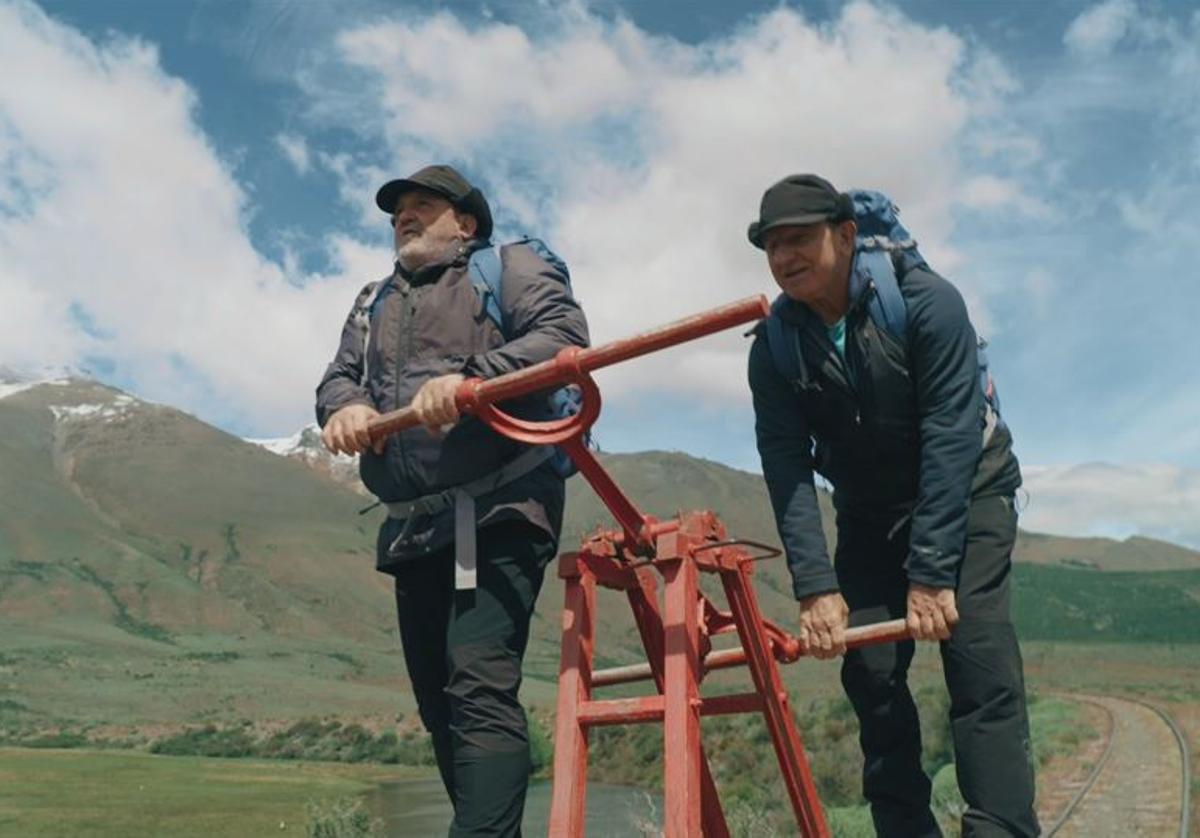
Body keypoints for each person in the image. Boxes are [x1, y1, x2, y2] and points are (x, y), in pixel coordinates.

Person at [745, 174, 1039, 837]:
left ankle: (1001, 828)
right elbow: (786, 466)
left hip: (969, 490)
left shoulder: (929, 303)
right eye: (772, 246)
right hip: (871, 514)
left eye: (800, 240)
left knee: (978, 666)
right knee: (871, 675)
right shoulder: (774, 347)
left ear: (846, 236)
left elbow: (951, 433)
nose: (785, 257)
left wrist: (932, 570)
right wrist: (816, 588)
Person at [316, 164, 589, 836]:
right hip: (414, 528)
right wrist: (346, 406)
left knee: (477, 686)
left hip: (500, 510)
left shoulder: (508, 267)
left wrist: (473, 381)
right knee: (438, 703)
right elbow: (338, 378)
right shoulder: (370, 302)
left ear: (464, 222)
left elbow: (562, 338)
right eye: (398, 211)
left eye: (422, 205)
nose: (403, 217)